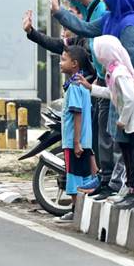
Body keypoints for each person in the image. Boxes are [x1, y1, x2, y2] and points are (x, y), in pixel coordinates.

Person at [0, 0, 122, 198]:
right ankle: (103, 181)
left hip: (109, 78)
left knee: (111, 137)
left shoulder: (103, 8)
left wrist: (59, 13)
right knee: (100, 138)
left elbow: (84, 29)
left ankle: (113, 183)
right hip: (97, 83)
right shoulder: (84, 3)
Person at [75, 36, 134, 209]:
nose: (96, 57)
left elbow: (129, 99)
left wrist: (122, 120)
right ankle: (132, 191)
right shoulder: (113, 71)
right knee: (131, 158)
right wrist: (91, 88)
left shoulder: (119, 73)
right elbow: (112, 93)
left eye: (98, 53)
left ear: (106, 53)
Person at [57, 45, 95, 222]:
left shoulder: (73, 86)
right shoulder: (83, 84)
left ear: (74, 64)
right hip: (85, 140)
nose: (60, 62)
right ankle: (82, 210)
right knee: (85, 175)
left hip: (74, 140)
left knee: (73, 176)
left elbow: (77, 113)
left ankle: (75, 210)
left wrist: (76, 142)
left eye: (63, 59)